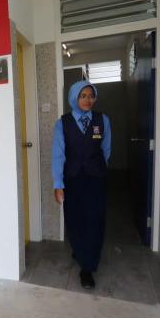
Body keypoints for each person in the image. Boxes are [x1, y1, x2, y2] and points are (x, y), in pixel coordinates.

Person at [52, 80, 111, 289]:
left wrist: (97, 168)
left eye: (91, 96)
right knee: (75, 220)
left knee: (94, 221)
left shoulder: (102, 120)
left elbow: (106, 150)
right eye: (83, 96)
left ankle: (88, 267)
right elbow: (58, 155)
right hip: (73, 179)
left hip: (96, 180)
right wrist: (58, 184)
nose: (88, 100)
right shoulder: (63, 123)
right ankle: (79, 251)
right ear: (74, 98)